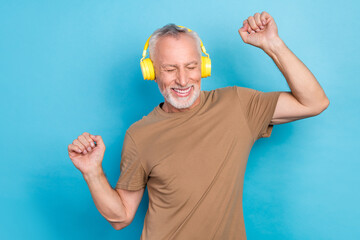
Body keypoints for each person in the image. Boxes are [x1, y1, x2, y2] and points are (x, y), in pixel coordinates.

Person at [68, 11, 329, 240]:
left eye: (191, 67)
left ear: (204, 67)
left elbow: (314, 102)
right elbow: (121, 216)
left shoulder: (237, 105)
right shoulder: (139, 135)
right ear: (152, 72)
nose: (183, 80)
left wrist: (273, 44)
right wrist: (92, 172)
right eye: (170, 69)